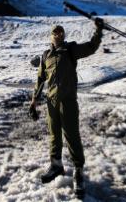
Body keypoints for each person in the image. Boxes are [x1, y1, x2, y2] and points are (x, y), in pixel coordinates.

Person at [29, 18, 103, 197]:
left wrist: (98, 31)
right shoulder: (46, 55)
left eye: (60, 32)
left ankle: (79, 172)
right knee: (54, 134)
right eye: (55, 32)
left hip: (68, 101)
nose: (58, 35)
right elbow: (40, 80)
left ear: (63, 35)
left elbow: (91, 47)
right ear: (51, 36)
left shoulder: (71, 49)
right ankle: (56, 165)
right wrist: (33, 101)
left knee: (72, 136)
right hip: (51, 101)